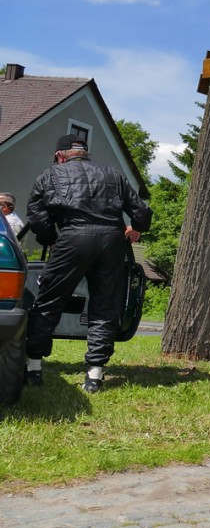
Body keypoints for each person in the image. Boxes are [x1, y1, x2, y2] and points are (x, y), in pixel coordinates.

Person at [25, 134, 152, 392]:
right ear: (84, 153)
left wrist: (51, 238)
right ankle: (94, 374)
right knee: (105, 306)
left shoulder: (50, 175)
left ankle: (34, 368)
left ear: (60, 156)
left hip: (72, 238)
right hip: (110, 241)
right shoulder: (112, 175)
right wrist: (137, 228)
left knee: (49, 301)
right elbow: (142, 211)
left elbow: (37, 216)